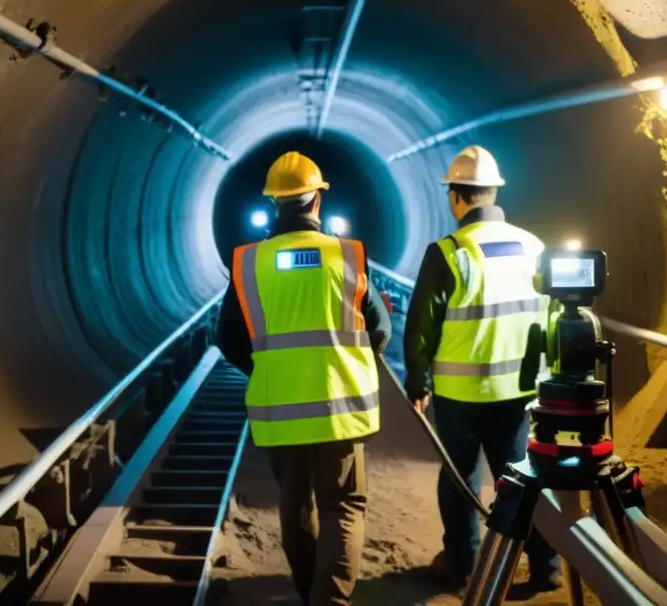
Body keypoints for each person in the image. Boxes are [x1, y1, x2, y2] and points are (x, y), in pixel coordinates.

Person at [216, 151, 392, 606]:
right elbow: (380, 330)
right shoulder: (346, 255)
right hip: (341, 407)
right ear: (317, 200)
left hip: (281, 410)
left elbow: (228, 339)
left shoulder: (249, 263)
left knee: (295, 506)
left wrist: (272, 369)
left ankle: (306, 590)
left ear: (275, 203)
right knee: (343, 505)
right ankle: (329, 600)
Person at [403, 145, 561, 594]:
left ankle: (461, 562)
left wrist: (418, 380)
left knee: (459, 478)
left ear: (456, 196)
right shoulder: (533, 246)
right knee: (522, 477)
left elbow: (420, 328)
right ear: (492, 193)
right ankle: (544, 564)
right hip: (520, 391)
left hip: (460, 395)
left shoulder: (449, 252)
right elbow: (553, 315)